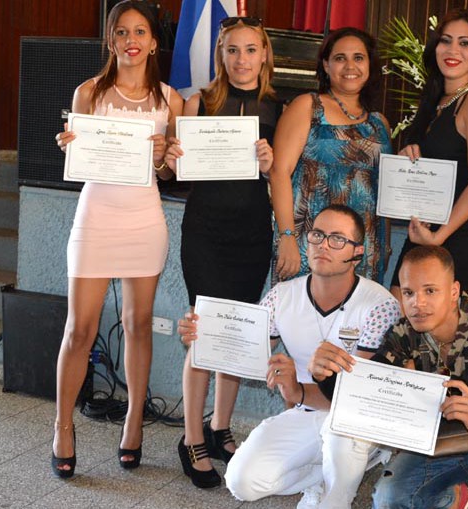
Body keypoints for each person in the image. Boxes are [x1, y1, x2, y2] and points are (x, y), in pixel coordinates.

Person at [178, 205, 402, 508]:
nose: (323, 245)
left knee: (341, 435)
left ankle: (337, 495)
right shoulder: (281, 296)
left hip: (354, 419)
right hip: (306, 412)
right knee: (241, 481)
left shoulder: (380, 305)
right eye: (317, 235)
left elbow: (357, 399)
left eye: (337, 239)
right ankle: (322, 477)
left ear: (357, 252)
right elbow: (238, 350)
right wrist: (202, 336)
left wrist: (296, 390)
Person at [309, 246, 468, 509]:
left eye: (430, 290)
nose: (418, 303)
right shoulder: (403, 333)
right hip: (439, 443)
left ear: (453, 291)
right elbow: (362, 397)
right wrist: (323, 375)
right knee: (388, 499)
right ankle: (455, 499)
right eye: (408, 293)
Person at [50, 0, 182, 478]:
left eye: (141, 31)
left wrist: (167, 155)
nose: (132, 39)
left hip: (144, 218)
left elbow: (167, 174)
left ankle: (133, 422)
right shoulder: (89, 92)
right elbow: (78, 166)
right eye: (122, 31)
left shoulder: (172, 99)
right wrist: (71, 146)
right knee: (79, 330)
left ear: (152, 41)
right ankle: (63, 426)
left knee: (139, 325)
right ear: (111, 41)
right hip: (96, 216)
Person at [161, 15, 279, 489]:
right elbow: (173, 177)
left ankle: (219, 428)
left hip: (251, 232)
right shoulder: (197, 101)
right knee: (204, 330)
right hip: (206, 232)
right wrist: (170, 162)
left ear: (264, 54)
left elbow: (282, 176)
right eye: (232, 50)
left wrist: (270, 166)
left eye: (251, 50)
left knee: (237, 331)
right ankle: (191, 438)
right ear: (220, 55)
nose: (242, 59)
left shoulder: (276, 106)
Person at [270, 27, 392, 284]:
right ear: (326, 65)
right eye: (340, 58)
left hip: (363, 246)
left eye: (359, 58)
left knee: (354, 320)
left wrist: (385, 245)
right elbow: (279, 172)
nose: (350, 66)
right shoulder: (307, 106)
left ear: (370, 65)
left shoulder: (380, 123)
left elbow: (385, 191)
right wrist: (287, 236)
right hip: (310, 240)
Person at [390, 8, 468, 301]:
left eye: (464, 43)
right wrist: (406, 161)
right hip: (423, 233)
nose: (453, 50)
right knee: (403, 327)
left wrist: (439, 237)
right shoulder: (434, 100)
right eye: (445, 41)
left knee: (448, 340)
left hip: (458, 237)